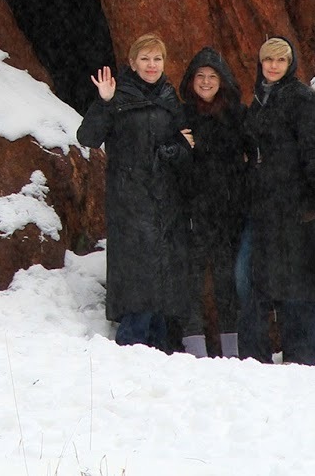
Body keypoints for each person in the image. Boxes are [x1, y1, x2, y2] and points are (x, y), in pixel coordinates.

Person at [77, 32, 195, 353]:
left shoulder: (171, 100)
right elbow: (87, 136)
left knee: (162, 277)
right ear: (132, 62)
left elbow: (187, 147)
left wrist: (174, 150)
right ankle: (130, 347)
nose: (151, 65)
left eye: (157, 59)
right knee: (136, 276)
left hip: (166, 203)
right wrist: (104, 103)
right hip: (129, 201)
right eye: (145, 58)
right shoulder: (118, 96)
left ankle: (160, 348)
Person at [238, 36, 315, 365]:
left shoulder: (301, 98)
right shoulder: (261, 98)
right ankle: (255, 356)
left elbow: (312, 150)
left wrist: (313, 199)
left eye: (280, 60)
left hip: (293, 201)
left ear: (291, 65)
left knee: (298, 279)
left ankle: (301, 356)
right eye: (267, 60)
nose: (273, 66)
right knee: (258, 277)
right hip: (263, 202)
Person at [178, 47, 247, 357]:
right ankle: (195, 349)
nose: (206, 82)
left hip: (226, 212)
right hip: (189, 212)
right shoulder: (179, 115)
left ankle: (231, 351)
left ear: (223, 81)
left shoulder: (236, 115)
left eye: (212, 76)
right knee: (190, 282)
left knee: (226, 281)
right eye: (200, 76)